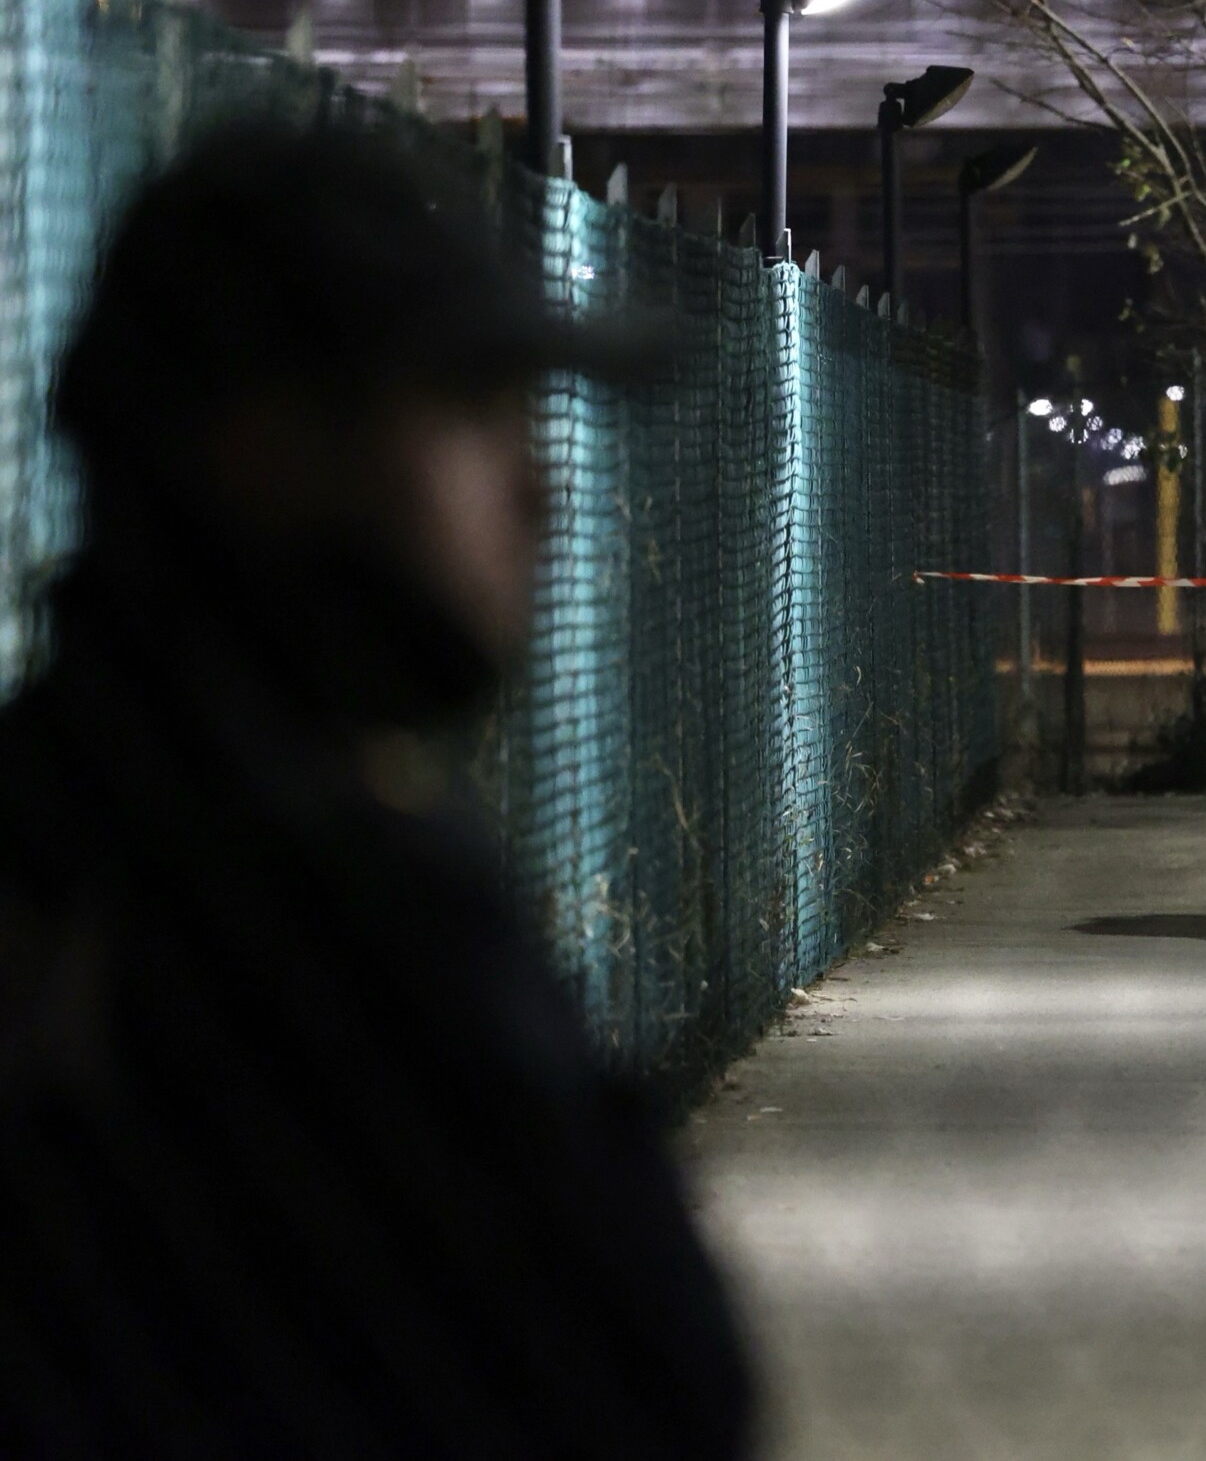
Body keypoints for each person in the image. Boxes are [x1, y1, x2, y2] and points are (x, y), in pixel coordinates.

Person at [0, 125, 751, 1455]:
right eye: (471, 410)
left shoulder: (57, 812)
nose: (537, 484)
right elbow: (660, 1379)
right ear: (269, 445)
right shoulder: (346, 902)